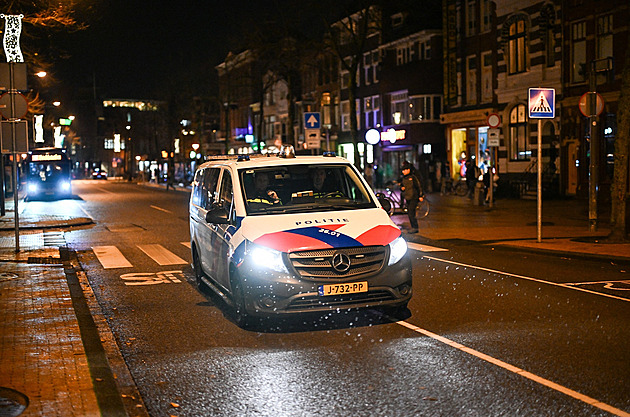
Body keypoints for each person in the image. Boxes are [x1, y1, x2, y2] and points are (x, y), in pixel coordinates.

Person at [400, 161, 423, 233]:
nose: (403, 171)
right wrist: (402, 188)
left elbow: (418, 186)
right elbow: (402, 186)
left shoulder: (413, 177)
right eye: (403, 170)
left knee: (411, 213)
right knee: (410, 213)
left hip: (414, 197)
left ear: (408, 170)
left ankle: (415, 228)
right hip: (408, 197)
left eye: (405, 170)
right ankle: (414, 227)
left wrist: (420, 195)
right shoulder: (404, 178)